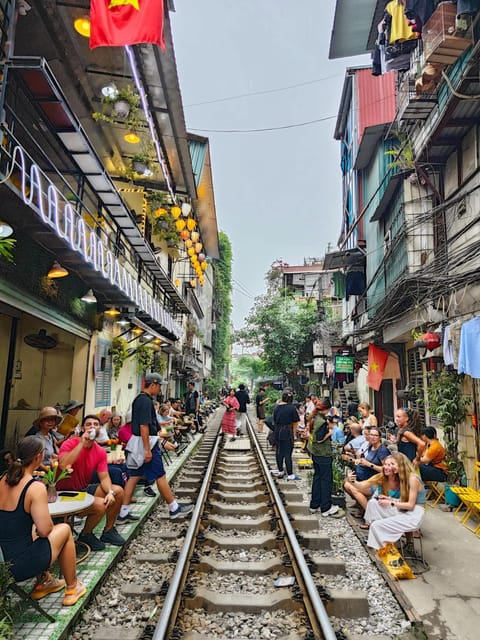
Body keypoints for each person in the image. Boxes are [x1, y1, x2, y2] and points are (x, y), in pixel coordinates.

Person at [0, 436, 86, 606]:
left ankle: (45, 580)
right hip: (17, 566)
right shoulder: (35, 487)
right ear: (38, 457)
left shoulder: (2, 480)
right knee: (64, 530)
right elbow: (46, 530)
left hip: (2, 560)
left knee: (31, 530)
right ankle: (72, 587)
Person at [121, 373, 193, 520]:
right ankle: (174, 508)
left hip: (137, 442)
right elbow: (143, 426)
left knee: (134, 476)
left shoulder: (138, 400)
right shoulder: (146, 402)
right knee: (160, 475)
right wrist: (148, 449)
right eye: (159, 386)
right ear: (153, 385)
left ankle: (123, 512)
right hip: (146, 443)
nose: (160, 389)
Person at [57, 415, 126, 550]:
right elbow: (64, 465)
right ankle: (86, 534)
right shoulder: (70, 443)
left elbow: (104, 477)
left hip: (81, 490)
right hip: (64, 493)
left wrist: (110, 492)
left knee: (117, 491)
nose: (92, 427)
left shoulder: (99, 451)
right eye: (89, 424)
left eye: (96, 424)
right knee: (100, 505)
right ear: (83, 428)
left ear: (99, 428)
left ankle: (108, 531)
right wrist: (82, 443)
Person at [365, 452, 426, 551]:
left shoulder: (413, 478)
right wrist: (390, 499)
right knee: (373, 504)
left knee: (377, 525)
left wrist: (391, 503)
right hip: (406, 511)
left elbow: (411, 505)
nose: (391, 467)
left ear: (401, 464)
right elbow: (404, 501)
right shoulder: (404, 477)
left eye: (393, 464)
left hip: (414, 514)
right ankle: (382, 541)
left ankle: (382, 551)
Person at [308, 398, 340, 517]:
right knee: (326, 480)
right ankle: (326, 507)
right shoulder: (321, 422)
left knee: (317, 478)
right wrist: (330, 433)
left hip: (315, 453)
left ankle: (314, 505)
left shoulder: (313, 417)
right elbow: (320, 438)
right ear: (326, 409)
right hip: (323, 454)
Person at [272, 390, 300, 481]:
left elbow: (274, 421)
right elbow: (295, 422)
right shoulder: (291, 408)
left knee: (279, 451)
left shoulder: (276, 407)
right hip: (287, 432)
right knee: (288, 453)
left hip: (277, 431)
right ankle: (290, 474)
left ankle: (280, 471)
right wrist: (294, 434)